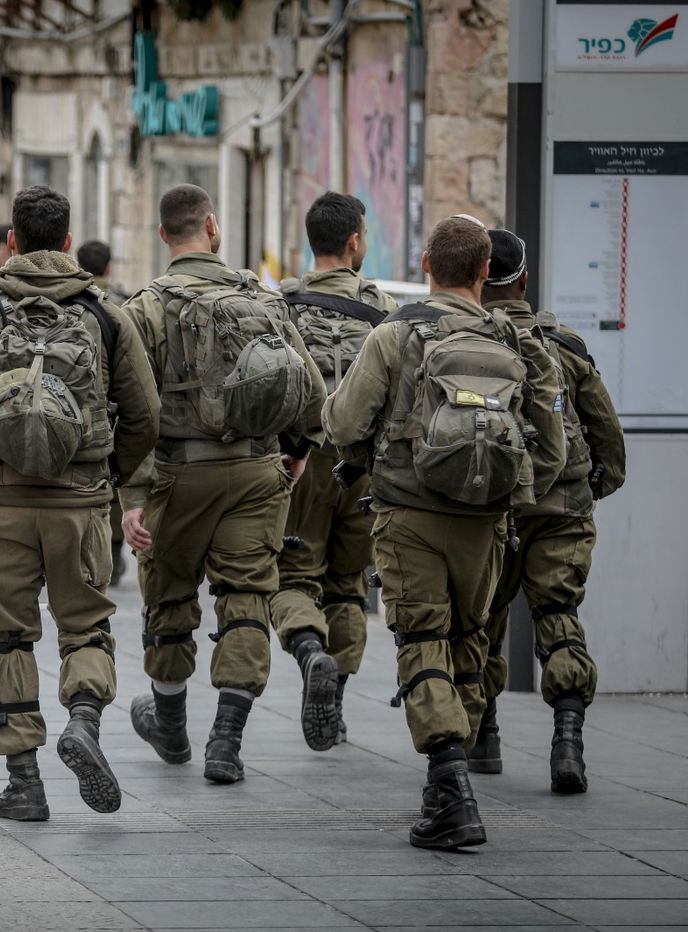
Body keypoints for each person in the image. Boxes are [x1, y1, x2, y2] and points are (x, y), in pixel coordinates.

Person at [324, 215, 566, 849]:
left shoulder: (395, 334)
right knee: (468, 641)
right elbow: (553, 449)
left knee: (423, 638)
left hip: (409, 514)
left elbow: (346, 423)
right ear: (486, 272)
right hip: (487, 522)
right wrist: (509, 494)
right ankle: (449, 784)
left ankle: (450, 786)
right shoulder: (519, 344)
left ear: (426, 264)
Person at [0, 185, 160, 821]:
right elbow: (145, 413)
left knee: (9, 639)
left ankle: (24, 782)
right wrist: (106, 476)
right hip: (79, 502)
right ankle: (83, 718)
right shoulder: (107, 315)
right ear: (66, 241)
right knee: (85, 625)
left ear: (11, 244)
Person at [120, 184, 326, 785]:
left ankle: (171, 726)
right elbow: (310, 391)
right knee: (246, 597)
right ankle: (226, 742)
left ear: (165, 236)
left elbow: (130, 410)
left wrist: (131, 497)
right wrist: (296, 451)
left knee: (169, 598)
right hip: (257, 473)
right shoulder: (261, 297)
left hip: (177, 477)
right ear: (212, 227)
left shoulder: (145, 307)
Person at [472, 228, 626, 793]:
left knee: (482, 620)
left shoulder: (465, 342)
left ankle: (482, 737)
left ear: (476, 279)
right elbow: (609, 441)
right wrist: (583, 496)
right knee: (557, 615)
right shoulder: (565, 345)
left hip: (493, 510)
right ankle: (567, 740)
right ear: (525, 281)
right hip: (564, 505)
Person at [269, 192, 400, 748]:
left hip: (300, 463)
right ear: (354, 242)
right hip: (363, 469)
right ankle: (336, 701)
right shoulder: (386, 310)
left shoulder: (282, 304)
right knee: (346, 586)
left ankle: (309, 652)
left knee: (294, 577)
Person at [76, 239, 133, 587]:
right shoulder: (124, 304)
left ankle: (89, 546)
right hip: (119, 411)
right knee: (115, 482)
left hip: (83, 408)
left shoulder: (70, 302)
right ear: (110, 267)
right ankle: (112, 546)